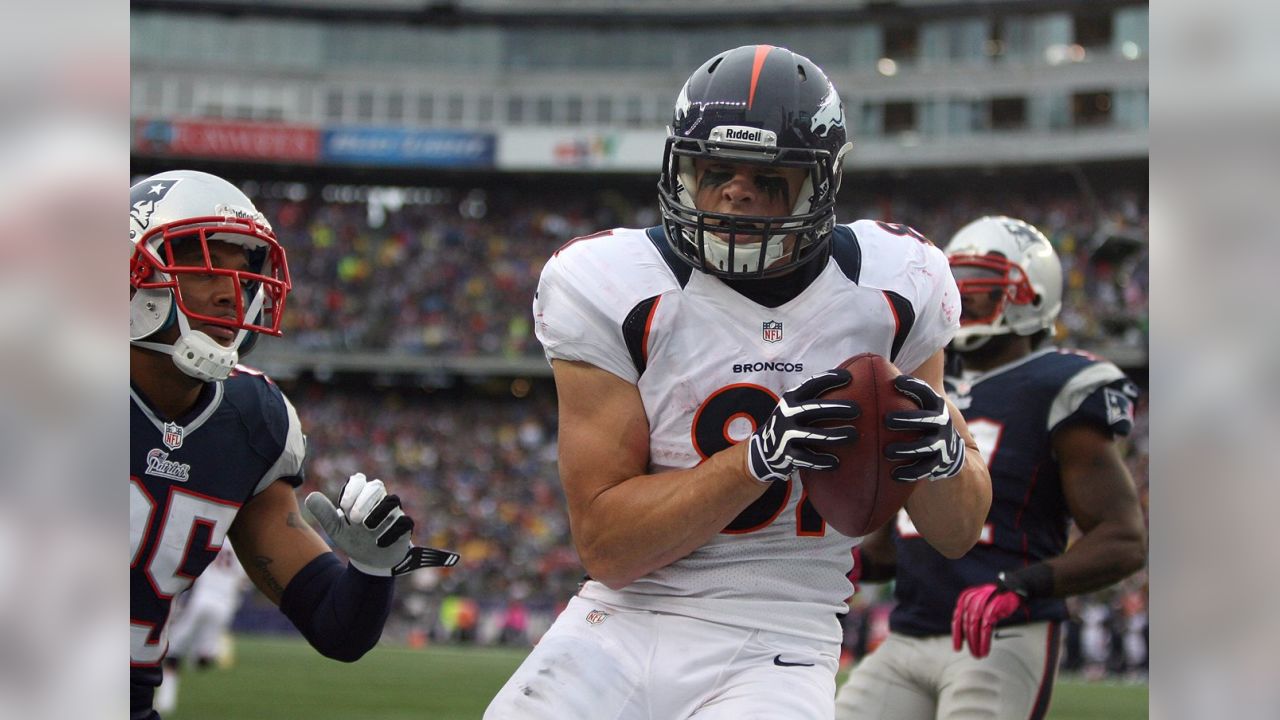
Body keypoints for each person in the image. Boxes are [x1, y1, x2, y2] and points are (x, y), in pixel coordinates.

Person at [485, 45, 992, 720]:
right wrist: (759, 458)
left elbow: (957, 532)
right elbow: (606, 547)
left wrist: (945, 458)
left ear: (821, 184)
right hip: (626, 614)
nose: (734, 193)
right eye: (715, 171)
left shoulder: (894, 285)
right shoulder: (614, 285)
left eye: (768, 178)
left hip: (781, 631)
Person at [129, 169, 460, 720]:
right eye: (201, 266)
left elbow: (336, 627)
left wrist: (371, 571)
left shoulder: (249, 422)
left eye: (245, 271)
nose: (229, 292)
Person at [833, 216, 1147, 720]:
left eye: (983, 282)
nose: (966, 295)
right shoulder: (926, 383)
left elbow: (1124, 537)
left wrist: (1022, 586)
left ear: (1032, 293)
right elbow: (906, 539)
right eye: (959, 282)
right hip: (907, 632)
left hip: (1000, 631)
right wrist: (847, 563)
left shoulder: (1056, 384)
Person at [154, 542, 249, 715]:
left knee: (173, 651)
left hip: (200, 601)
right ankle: (204, 653)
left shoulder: (215, 536)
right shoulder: (241, 546)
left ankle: (166, 700)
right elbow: (243, 583)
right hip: (224, 606)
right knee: (202, 657)